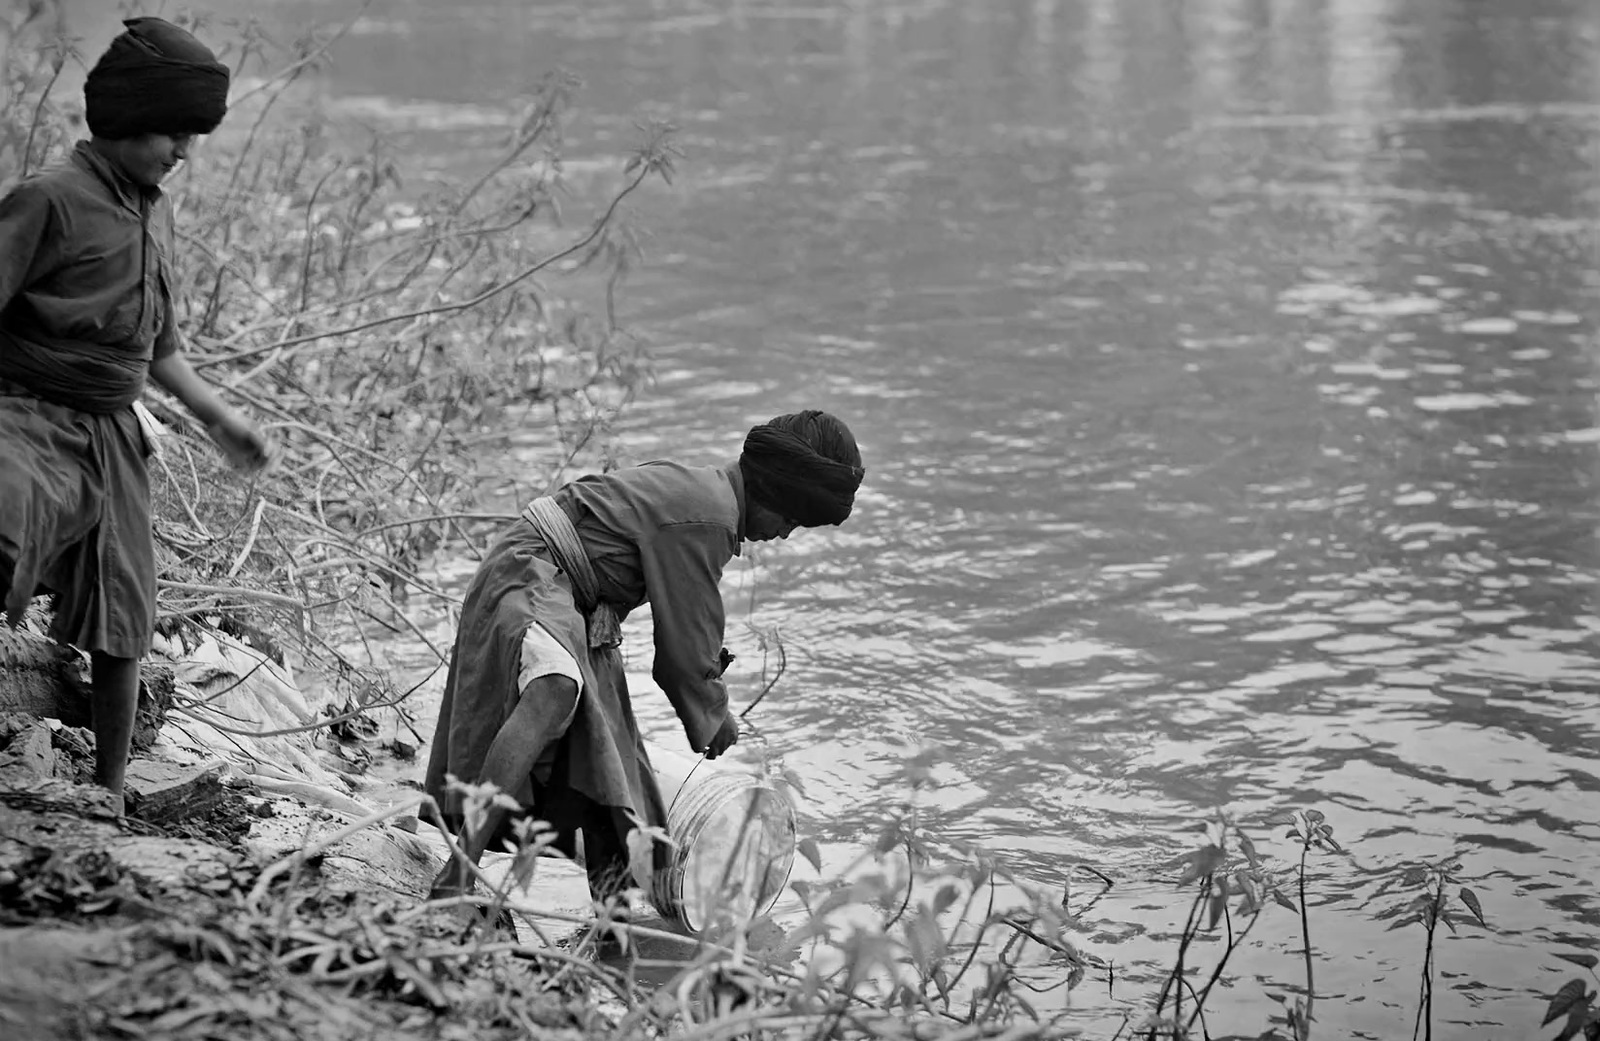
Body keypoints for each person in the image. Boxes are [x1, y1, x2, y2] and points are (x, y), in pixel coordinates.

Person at [0, 17, 275, 816]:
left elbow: (162, 351)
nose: (182, 151)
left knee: (126, 610)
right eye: (171, 132)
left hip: (115, 430)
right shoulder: (48, 200)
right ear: (122, 119)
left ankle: (109, 795)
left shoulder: (154, 211)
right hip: (28, 414)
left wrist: (224, 421)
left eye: (193, 135)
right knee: (5, 537)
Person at [423, 410, 865, 906]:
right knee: (557, 689)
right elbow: (681, 657)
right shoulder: (710, 516)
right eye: (789, 519)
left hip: (577, 606)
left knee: (613, 760)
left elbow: (687, 622)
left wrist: (703, 669)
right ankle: (458, 874)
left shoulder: (709, 497)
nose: (784, 534)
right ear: (773, 494)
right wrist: (716, 718)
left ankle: (614, 925)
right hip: (531, 575)